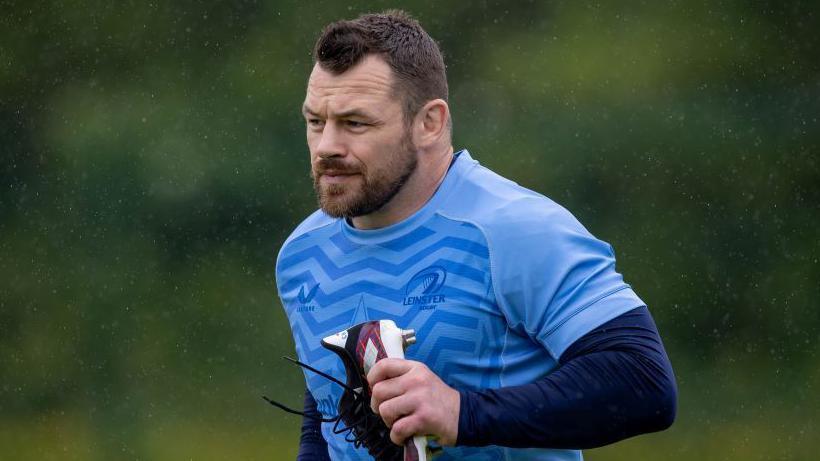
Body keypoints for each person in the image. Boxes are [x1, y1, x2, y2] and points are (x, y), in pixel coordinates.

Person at [275, 10, 677, 460]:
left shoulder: (515, 229)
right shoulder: (301, 255)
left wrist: (461, 413)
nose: (327, 145)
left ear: (429, 123)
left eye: (355, 123)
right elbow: (329, 415)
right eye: (316, 122)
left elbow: (643, 382)